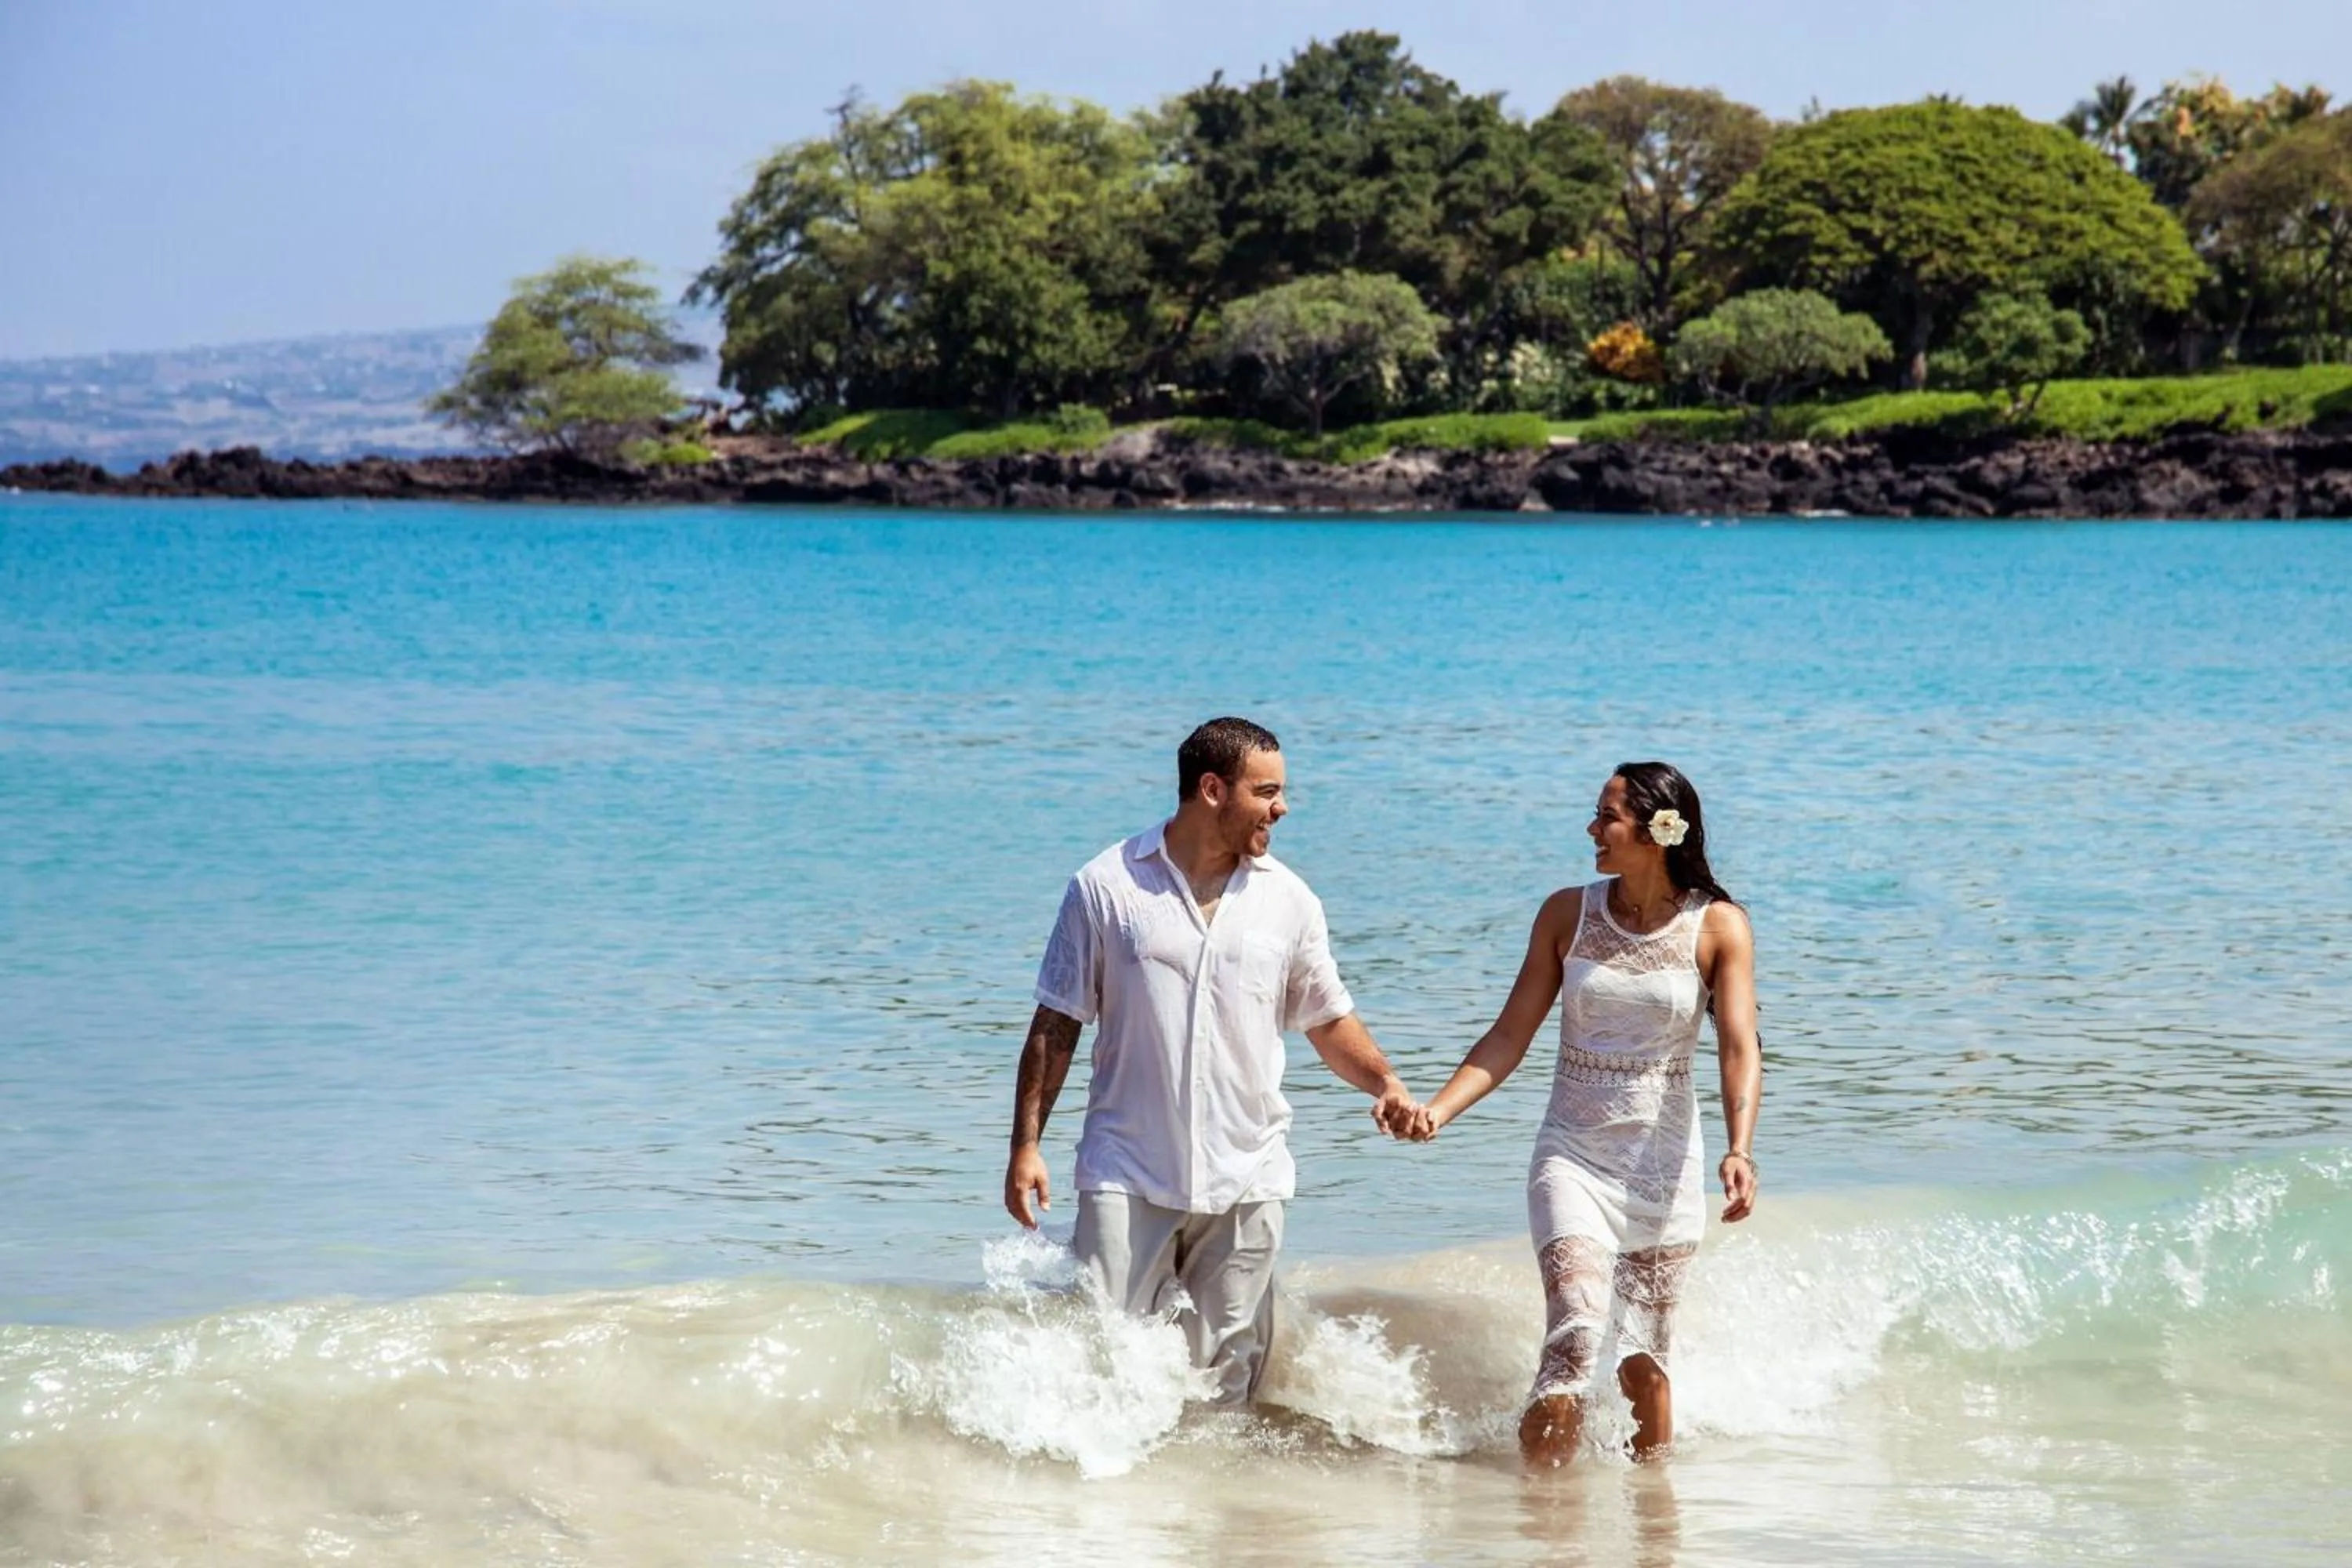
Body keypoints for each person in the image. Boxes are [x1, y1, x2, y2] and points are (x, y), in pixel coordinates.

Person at [1004, 717, 1422, 1404]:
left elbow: (1326, 1017)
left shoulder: (1290, 899)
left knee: (1226, 1378)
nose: (1282, 808)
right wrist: (1027, 1147)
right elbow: (1056, 1022)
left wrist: (1385, 1081)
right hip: (1126, 1165)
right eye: (1267, 792)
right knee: (1106, 1357)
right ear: (1211, 790)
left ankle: (1214, 1506)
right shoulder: (1105, 887)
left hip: (1247, 1169)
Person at [1409, 761, 1761, 1465]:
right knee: (1574, 1328)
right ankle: (1548, 1520)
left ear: (1661, 829)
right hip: (1572, 1155)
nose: (1592, 829)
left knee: (1642, 1362)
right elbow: (1510, 1034)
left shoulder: (1719, 926)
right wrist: (1438, 1110)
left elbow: (1738, 1047)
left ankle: (1653, 1520)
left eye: (1608, 816)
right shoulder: (1567, 912)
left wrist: (1739, 1149)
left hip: (1662, 1168)